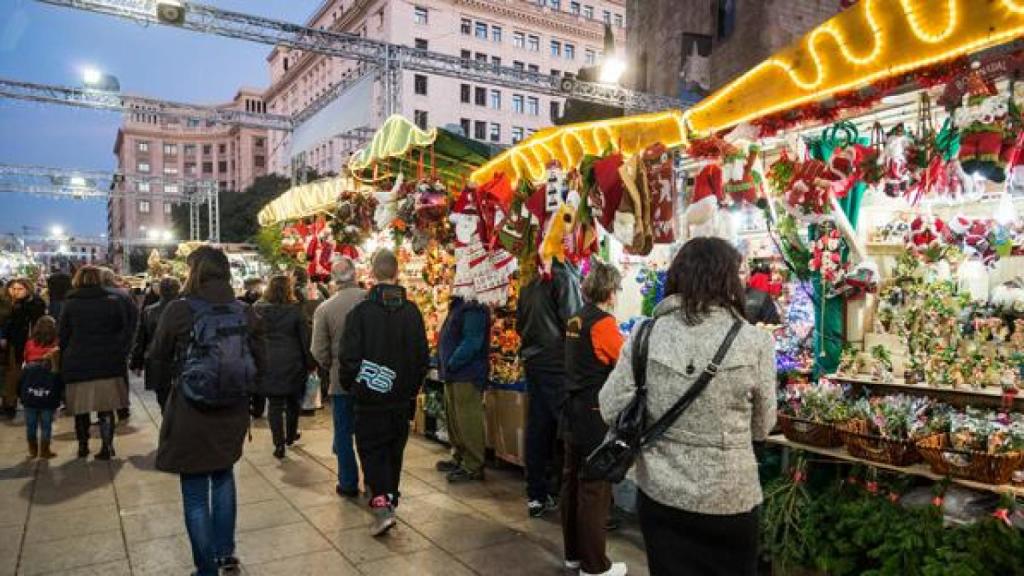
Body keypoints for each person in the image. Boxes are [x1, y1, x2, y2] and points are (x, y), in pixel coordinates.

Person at [599, 237, 777, 576]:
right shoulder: (755, 341)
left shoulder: (645, 334)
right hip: (731, 498)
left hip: (662, 495)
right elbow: (763, 425)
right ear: (729, 280)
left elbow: (609, 406)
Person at [150, 246, 264, 576]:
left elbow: (158, 356)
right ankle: (226, 554)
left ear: (194, 272)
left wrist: (164, 400)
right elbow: (260, 359)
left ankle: (205, 568)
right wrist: (255, 401)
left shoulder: (179, 310)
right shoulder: (245, 310)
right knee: (224, 477)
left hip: (191, 408)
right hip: (233, 407)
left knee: (196, 490)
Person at [340, 249, 429, 537]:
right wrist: (410, 389)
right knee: (394, 454)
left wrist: (355, 386)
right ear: (396, 272)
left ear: (373, 273)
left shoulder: (361, 314)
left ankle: (381, 507)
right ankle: (388, 500)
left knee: (373, 452)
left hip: (370, 401)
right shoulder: (412, 312)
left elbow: (349, 359)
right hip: (401, 401)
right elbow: (421, 358)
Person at [561, 260, 626, 576]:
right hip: (594, 415)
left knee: (572, 483)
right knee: (594, 489)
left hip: (572, 411)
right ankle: (595, 566)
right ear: (610, 291)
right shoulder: (603, 324)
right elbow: (623, 363)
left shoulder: (575, 319)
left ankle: (573, 554)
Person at [516, 260, 582, 517]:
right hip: (558, 362)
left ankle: (537, 495)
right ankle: (576, 499)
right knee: (570, 430)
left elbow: (520, 325)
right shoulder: (563, 277)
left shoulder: (529, 282)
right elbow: (574, 322)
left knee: (538, 427)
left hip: (534, 361)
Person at [59, 266, 134, 459]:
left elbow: (64, 334)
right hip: (108, 359)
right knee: (106, 406)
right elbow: (123, 329)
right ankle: (107, 447)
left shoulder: (70, 303)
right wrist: (120, 349)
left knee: (80, 408)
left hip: (78, 359)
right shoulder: (113, 301)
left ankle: (83, 446)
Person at [310, 256, 365, 497]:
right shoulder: (371, 301)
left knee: (343, 435)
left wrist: (330, 366)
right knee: (370, 432)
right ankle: (374, 481)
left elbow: (318, 350)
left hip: (341, 380)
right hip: (372, 379)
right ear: (355, 275)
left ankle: (348, 482)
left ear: (333, 279)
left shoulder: (325, 308)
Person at [255, 274, 313, 459]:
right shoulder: (296, 310)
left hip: (268, 361)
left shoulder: (257, 309)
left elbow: (252, 337)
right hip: (292, 361)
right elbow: (305, 339)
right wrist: (311, 363)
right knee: (293, 402)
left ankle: (278, 444)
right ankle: (290, 435)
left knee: (274, 405)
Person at [435, 295, 491, 483]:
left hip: (466, 373)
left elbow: (472, 342)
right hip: (453, 373)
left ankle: (473, 465)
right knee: (455, 419)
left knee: (467, 420)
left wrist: (452, 362)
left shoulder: (475, 306)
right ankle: (459, 456)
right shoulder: (460, 304)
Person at [130, 276, 181, 411]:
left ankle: (168, 426)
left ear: (160, 291)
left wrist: (137, 362)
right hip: (181, 360)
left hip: (157, 360)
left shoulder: (149, 310)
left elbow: (141, 339)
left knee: (163, 399)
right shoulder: (186, 310)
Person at [2, 278, 48, 419]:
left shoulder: (34, 304)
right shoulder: (9, 304)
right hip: (14, 345)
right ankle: (10, 404)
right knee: (12, 375)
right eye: (14, 289)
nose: (16, 292)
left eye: (19, 289)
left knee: (33, 375)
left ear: (27, 289)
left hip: (31, 346)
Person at [19, 315, 62, 459]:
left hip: (30, 385)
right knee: (46, 422)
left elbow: (25, 359)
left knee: (30, 423)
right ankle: (45, 450)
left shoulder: (29, 343)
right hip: (48, 387)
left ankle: (32, 448)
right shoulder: (56, 343)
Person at [100, 267, 139, 422]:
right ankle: (123, 408)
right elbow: (135, 317)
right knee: (121, 376)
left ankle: (106, 411)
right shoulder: (125, 294)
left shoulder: (99, 295)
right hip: (122, 343)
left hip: (103, 343)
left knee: (103, 377)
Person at [742, 261, 781, 325]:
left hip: (754, 298)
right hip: (764, 300)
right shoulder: (768, 277)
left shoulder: (756, 276)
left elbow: (749, 284)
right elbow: (773, 290)